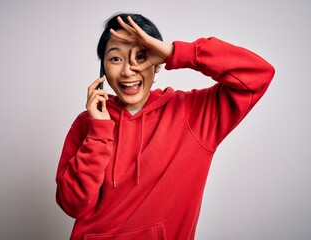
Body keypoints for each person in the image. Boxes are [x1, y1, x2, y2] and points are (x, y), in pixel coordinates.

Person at [55, 13, 275, 239]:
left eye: (140, 57)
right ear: (103, 69)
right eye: (115, 59)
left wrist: (175, 53)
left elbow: (258, 75)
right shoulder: (88, 122)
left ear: (157, 63)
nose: (128, 70)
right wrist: (99, 132)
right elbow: (73, 205)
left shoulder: (193, 113)